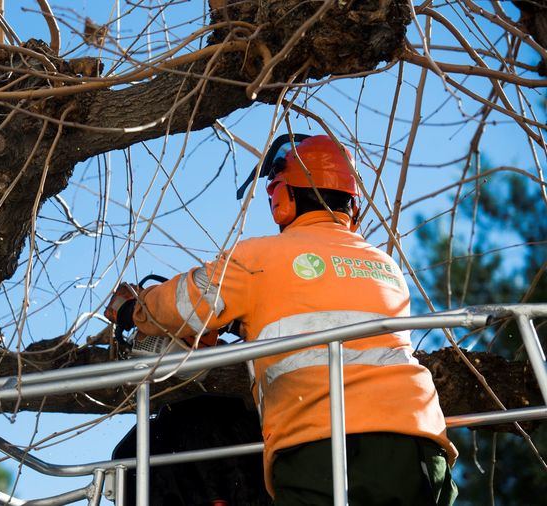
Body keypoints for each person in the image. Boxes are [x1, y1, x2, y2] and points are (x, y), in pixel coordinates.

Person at [107, 134, 458, 505]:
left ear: (283, 199)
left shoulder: (260, 259)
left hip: (323, 448)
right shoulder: (385, 267)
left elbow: (186, 303)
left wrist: (135, 309)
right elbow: (317, 307)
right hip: (420, 445)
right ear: (352, 205)